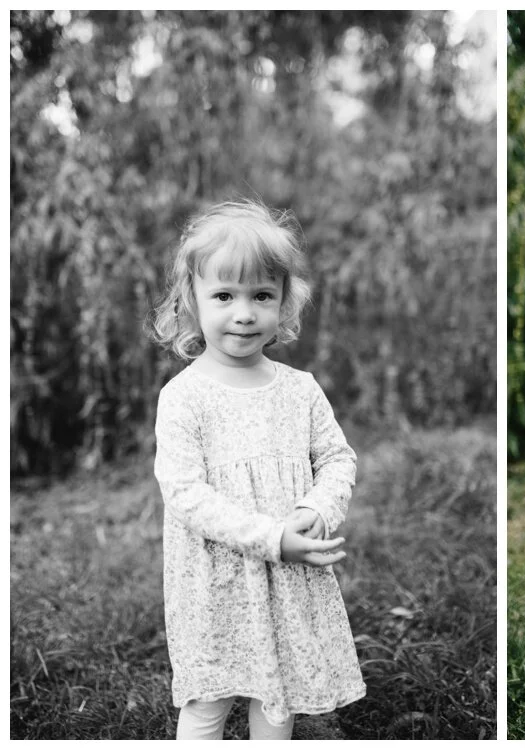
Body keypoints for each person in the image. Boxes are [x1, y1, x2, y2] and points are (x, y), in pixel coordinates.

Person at [149, 200, 365, 739]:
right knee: (207, 702)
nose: (243, 313)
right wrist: (272, 537)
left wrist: (316, 506)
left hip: (286, 580)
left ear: (283, 304)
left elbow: (338, 459)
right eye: (224, 295)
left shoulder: (300, 391)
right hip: (212, 582)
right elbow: (184, 492)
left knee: (277, 700)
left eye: (261, 296)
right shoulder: (184, 397)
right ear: (190, 302)